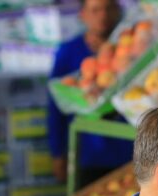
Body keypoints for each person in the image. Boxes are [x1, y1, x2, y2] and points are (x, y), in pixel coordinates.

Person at [47, 0, 134, 185]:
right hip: (87, 155)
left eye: (109, 8)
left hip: (131, 154)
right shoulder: (68, 52)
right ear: (82, 15)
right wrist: (58, 154)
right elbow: (55, 109)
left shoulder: (132, 49)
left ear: (118, 10)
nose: (103, 16)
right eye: (95, 10)